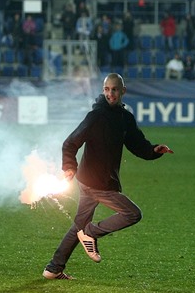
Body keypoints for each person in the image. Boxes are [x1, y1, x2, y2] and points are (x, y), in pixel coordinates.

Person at [42, 73, 173, 280]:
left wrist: (154, 150)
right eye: (107, 89)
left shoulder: (125, 118)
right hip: (97, 184)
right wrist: (69, 167)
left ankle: (53, 268)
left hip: (91, 181)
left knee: (78, 226)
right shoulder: (95, 117)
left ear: (123, 91)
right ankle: (91, 232)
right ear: (103, 91)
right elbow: (70, 143)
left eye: (114, 89)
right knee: (132, 214)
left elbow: (137, 144)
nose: (110, 93)